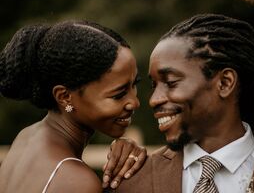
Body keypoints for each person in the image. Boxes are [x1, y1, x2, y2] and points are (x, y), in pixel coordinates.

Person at [111, 13, 254, 193]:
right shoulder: (132, 180)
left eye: (170, 82)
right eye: (154, 85)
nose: (154, 100)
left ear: (225, 82)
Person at [0, 20, 147, 193]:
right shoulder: (78, 182)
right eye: (118, 95)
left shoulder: (26, 137)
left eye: (134, 84)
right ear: (65, 97)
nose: (134, 102)